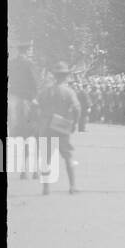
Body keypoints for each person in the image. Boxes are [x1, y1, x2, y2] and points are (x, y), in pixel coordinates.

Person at [36, 61, 80, 194]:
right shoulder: (69, 91)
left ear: (54, 75)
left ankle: (46, 188)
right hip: (62, 125)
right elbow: (77, 108)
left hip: (47, 125)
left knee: (46, 158)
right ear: (66, 76)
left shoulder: (45, 91)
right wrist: (75, 123)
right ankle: (72, 186)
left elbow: (35, 106)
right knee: (68, 156)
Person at [7, 43, 39, 180]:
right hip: (26, 97)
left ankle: (13, 131)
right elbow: (34, 81)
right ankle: (34, 170)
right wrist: (35, 96)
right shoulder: (29, 63)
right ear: (26, 51)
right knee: (36, 131)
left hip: (13, 96)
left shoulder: (11, 63)